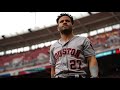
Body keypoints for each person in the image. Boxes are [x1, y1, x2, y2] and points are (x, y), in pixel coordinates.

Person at [49, 13, 99, 78]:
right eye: (61, 21)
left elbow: (91, 59)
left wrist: (94, 76)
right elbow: (53, 67)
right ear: (58, 28)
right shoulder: (53, 46)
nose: (64, 22)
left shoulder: (83, 40)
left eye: (67, 21)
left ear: (72, 25)